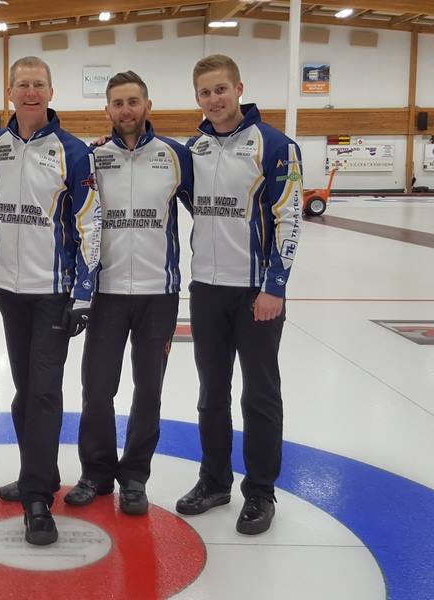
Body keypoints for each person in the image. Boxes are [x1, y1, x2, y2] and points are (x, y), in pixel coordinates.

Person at [175, 54, 302, 535]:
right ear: (198, 98)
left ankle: (261, 492)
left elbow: (290, 219)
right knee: (211, 394)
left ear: (239, 87)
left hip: (256, 295)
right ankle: (214, 481)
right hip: (206, 289)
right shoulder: (194, 148)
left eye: (221, 89)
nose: (214, 99)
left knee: (261, 394)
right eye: (205, 92)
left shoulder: (275, 145)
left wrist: (275, 286)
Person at [63, 71, 192, 516]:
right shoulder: (94, 158)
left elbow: (212, 212)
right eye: (118, 103)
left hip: (160, 292)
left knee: (149, 389)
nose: (126, 110)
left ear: (147, 105)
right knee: (97, 387)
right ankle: (96, 473)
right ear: (107, 110)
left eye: (133, 101)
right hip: (107, 292)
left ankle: (134, 476)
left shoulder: (176, 156)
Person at [0, 56, 102, 545]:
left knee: (43, 391)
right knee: (22, 389)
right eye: (22, 84)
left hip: (53, 293)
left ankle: (38, 499)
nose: (30, 92)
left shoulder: (73, 152)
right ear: (11, 92)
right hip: (9, 291)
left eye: (38, 84)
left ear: (51, 92)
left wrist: (83, 292)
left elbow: (90, 223)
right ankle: (38, 471)